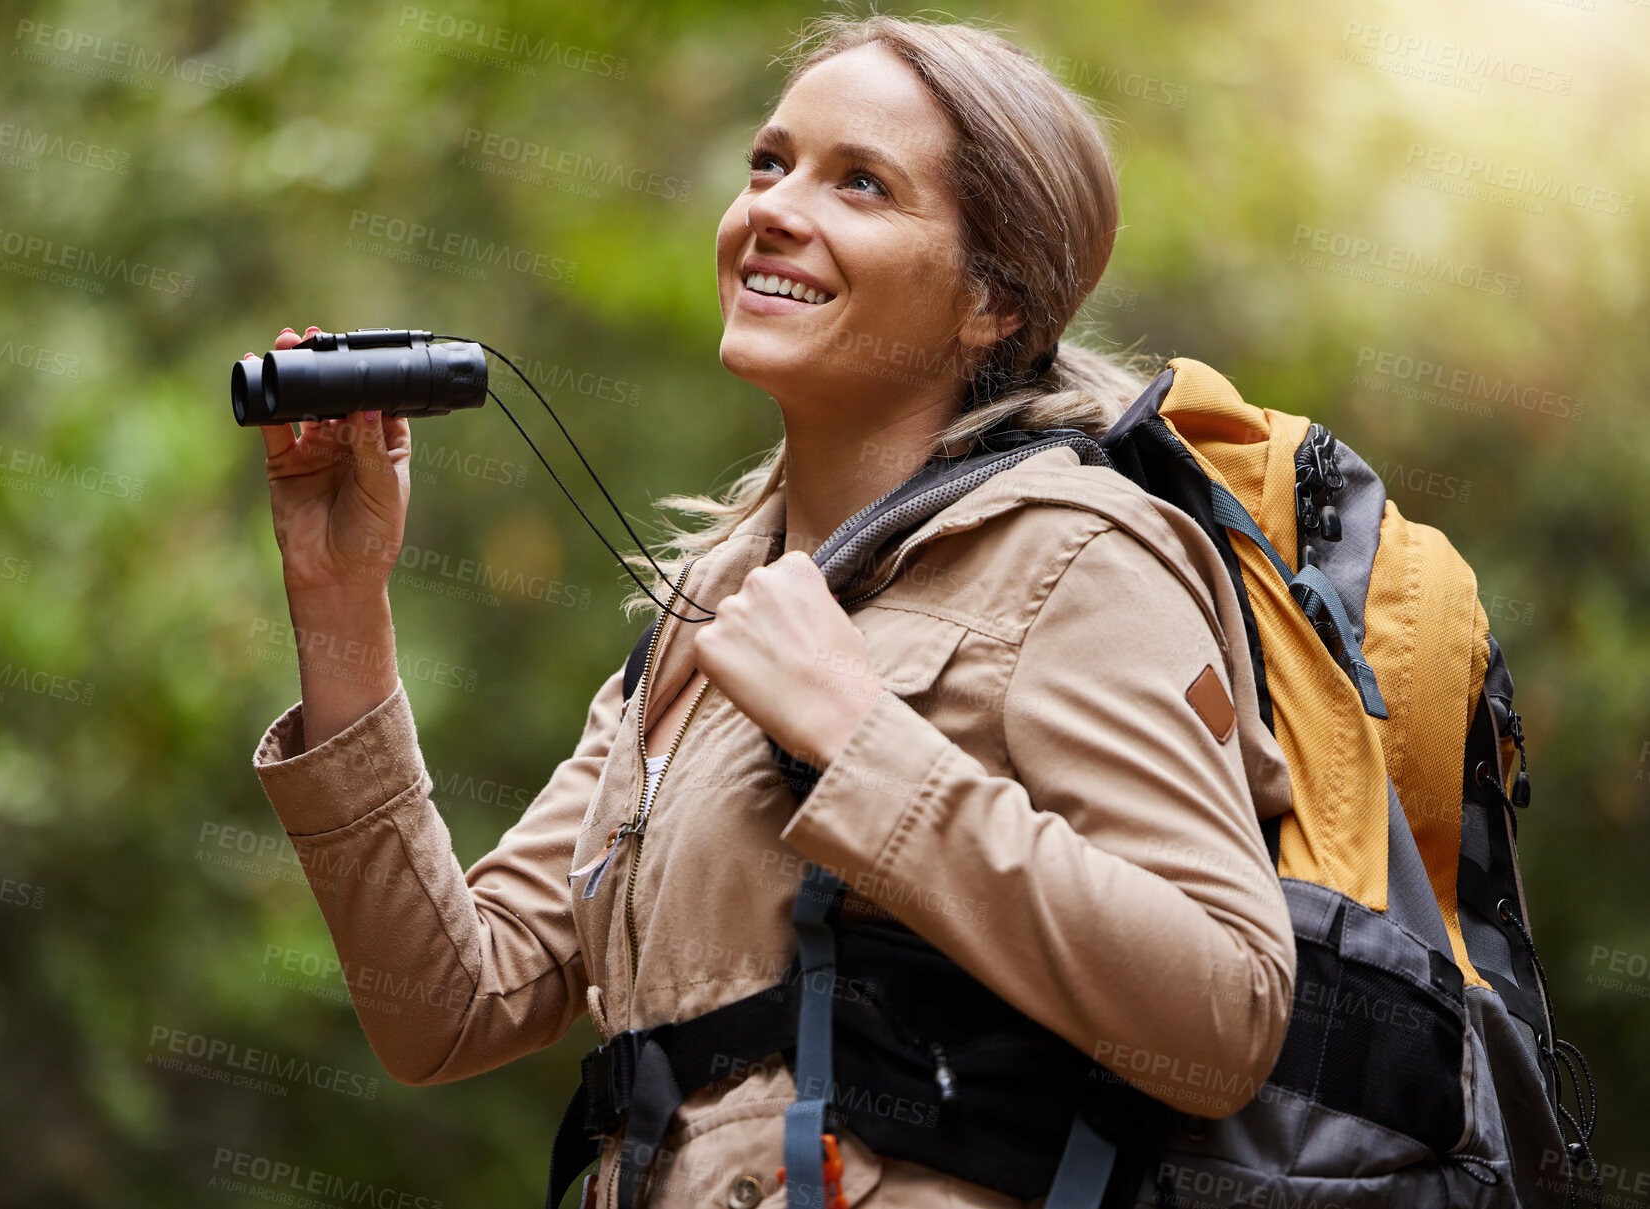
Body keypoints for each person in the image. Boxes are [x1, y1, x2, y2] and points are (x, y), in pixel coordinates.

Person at [248, 14, 1296, 1208]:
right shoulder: (708, 619)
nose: (773, 210)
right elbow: (446, 1010)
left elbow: (1227, 1016)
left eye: (860, 183)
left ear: (992, 302)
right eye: (768, 162)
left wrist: (859, 740)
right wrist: (342, 604)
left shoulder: (1075, 560)